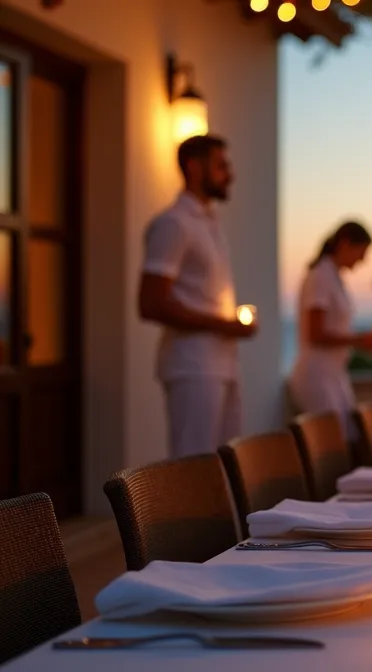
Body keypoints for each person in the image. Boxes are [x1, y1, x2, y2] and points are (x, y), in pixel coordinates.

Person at [138, 135, 255, 458]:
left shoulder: (208, 224)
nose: (229, 174)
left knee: (225, 467)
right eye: (221, 166)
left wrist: (230, 327)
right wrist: (224, 325)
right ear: (193, 167)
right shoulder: (173, 224)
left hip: (223, 364)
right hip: (192, 366)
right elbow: (150, 303)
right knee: (193, 469)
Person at [288, 221, 372, 438]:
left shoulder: (333, 277)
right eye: (361, 251)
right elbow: (315, 333)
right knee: (332, 444)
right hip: (317, 375)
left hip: (334, 373)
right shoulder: (320, 276)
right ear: (345, 244)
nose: (363, 259)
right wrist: (358, 341)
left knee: (349, 438)